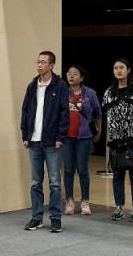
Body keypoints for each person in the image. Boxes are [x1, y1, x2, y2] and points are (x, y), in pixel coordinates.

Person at [19, 50, 70, 233]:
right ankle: (36, 217)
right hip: (34, 141)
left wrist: (60, 137)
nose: (39, 65)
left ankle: (55, 218)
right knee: (35, 182)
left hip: (52, 141)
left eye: (43, 62)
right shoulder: (32, 85)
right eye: (38, 61)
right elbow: (25, 111)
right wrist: (25, 135)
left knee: (55, 182)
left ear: (51, 65)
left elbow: (64, 113)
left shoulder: (60, 86)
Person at [101, 58, 133, 221]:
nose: (119, 70)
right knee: (117, 175)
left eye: (122, 67)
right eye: (116, 68)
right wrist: (117, 137)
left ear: (128, 70)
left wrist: (131, 135)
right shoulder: (108, 92)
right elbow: (108, 117)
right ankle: (119, 207)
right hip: (116, 142)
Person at [61, 64, 102, 216]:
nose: (71, 76)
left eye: (75, 74)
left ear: (82, 78)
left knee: (83, 169)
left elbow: (97, 113)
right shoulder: (63, 93)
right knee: (68, 170)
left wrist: (99, 130)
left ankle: (85, 201)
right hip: (66, 137)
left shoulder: (89, 93)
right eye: (69, 73)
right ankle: (69, 201)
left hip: (84, 137)